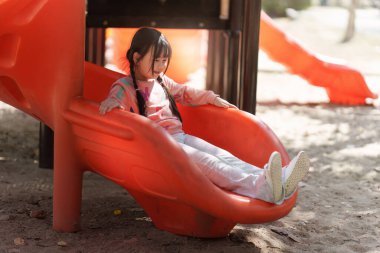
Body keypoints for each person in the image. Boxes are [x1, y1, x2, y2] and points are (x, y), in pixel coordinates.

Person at [99, 27, 310, 205]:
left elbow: (185, 93)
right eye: (157, 60)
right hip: (161, 149)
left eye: (165, 60)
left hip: (179, 138)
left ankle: (279, 182)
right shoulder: (124, 87)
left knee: (223, 156)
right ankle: (262, 188)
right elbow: (115, 103)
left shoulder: (161, 81)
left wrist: (211, 98)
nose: (162, 66)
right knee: (211, 164)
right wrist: (111, 103)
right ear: (136, 57)